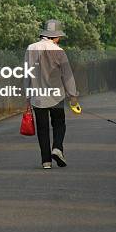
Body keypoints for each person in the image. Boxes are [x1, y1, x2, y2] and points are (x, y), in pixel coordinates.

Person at [24, 19, 79, 169]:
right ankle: (57, 148)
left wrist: (27, 97)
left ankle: (46, 161)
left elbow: (27, 74)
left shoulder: (31, 48)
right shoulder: (59, 51)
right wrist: (73, 96)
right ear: (56, 37)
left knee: (42, 128)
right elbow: (67, 75)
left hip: (37, 96)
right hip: (56, 96)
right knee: (59, 124)